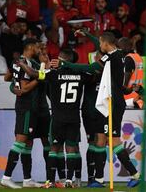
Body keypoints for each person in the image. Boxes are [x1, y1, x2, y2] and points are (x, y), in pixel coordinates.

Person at [52, 32, 141, 188]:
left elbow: (91, 67)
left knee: (113, 141)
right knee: (101, 138)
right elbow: (103, 41)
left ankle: (135, 174)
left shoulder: (110, 58)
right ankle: (99, 179)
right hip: (111, 102)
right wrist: (87, 34)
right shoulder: (119, 53)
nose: (98, 46)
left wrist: (66, 65)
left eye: (100, 44)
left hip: (114, 104)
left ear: (105, 44)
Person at [17, 48, 89, 188]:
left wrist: (22, 64)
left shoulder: (53, 73)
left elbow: (33, 73)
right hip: (74, 118)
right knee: (71, 149)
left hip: (58, 119)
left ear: (60, 59)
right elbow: (94, 74)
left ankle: (49, 181)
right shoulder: (80, 74)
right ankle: (69, 180)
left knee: (54, 149)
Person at [0, 39, 43, 189]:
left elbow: (6, 78)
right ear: (30, 47)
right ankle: (6, 177)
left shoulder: (16, 61)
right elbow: (24, 88)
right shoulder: (28, 64)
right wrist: (39, 79)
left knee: (28, 143)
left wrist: (14, 84)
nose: (39, 49)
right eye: (37, 47)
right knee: (20, 140)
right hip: (27, 106)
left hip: (24, 106)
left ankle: (27, 179)